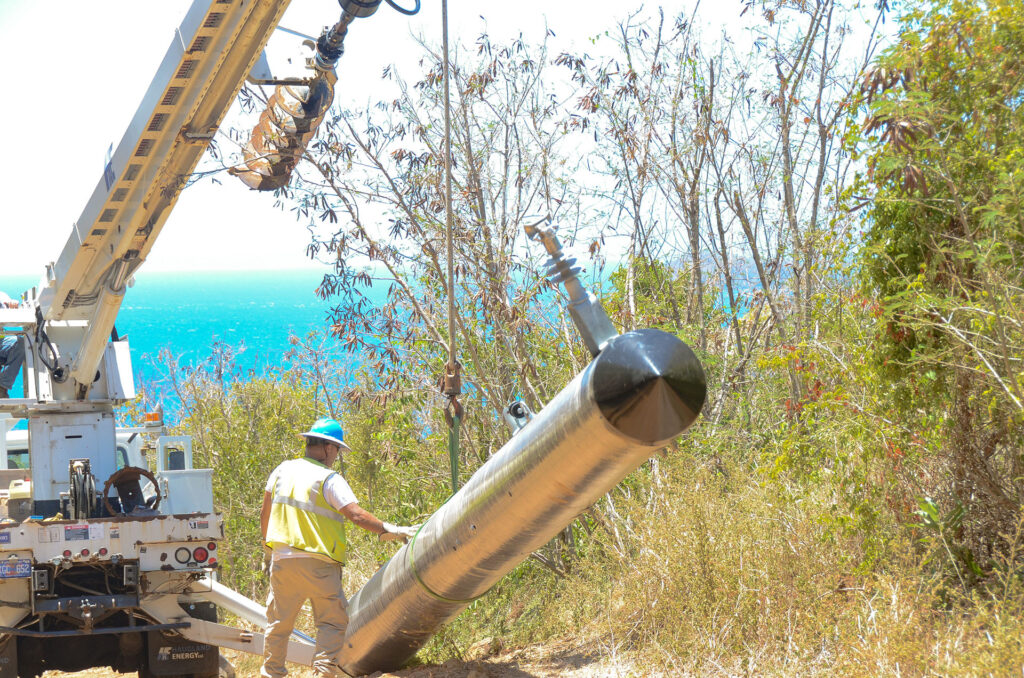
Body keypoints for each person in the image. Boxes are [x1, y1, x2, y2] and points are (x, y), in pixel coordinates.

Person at [260, 417, 418, 678]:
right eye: (337, 450)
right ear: (328, 448)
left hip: (282, 561)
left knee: (278, 624)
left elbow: (265, 513)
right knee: (331, 624)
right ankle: (322, 675)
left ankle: (271, 674)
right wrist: (389, 529)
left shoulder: (281, 470)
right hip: (320, 566)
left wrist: (269, 550)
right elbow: (355, 515)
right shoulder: (328, 479)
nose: (336, 456)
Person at [0, 292, 24, 399]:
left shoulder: (2, 296)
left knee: (20, 343)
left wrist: (12, 305)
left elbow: (10, 306)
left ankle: (2, 387)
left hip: (1, 344)